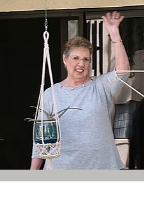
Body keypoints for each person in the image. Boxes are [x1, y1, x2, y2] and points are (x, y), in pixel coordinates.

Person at [30, 11, 130, 170]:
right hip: (61, 168)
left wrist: (114, 34)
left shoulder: (100, 86)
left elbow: (123, 71)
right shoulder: (50, 94)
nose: (81, 64)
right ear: (65, 59)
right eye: (76, 58)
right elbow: (41, 138)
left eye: (86, 59)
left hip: (101, 168)